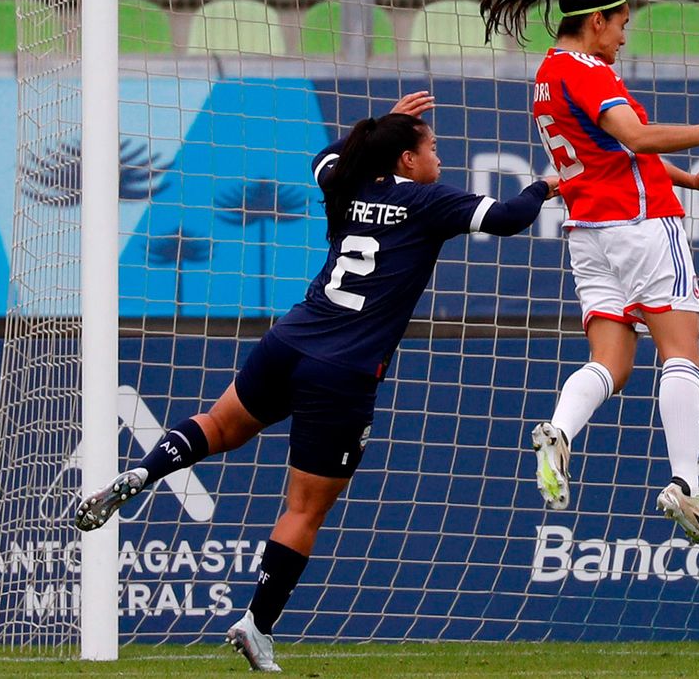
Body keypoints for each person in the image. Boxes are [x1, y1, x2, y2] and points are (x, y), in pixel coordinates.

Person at [75, 92, 560, 673]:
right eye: (430, 146)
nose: (440, 155)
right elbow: (508, 218)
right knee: (303, 509)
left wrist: (380, 123)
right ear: (405, 161)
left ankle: (144, 471)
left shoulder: (346, 185)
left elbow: (325, 159)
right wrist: (546, 185)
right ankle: (256, 624)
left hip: (291, 339)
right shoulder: (430, 202)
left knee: (218, 424)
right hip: (344, 371)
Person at [480, 0, 699, 550]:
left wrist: (691, 178)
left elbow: (612, 155)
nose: (624, 40)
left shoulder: (547, 76)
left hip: (588, 232)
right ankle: (685, 481)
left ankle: (559, 429)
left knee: (613, 362)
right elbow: (636, 136)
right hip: (640, 225)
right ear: (597, 22)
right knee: (680, 352)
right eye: (623, 26)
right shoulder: (589, 70)